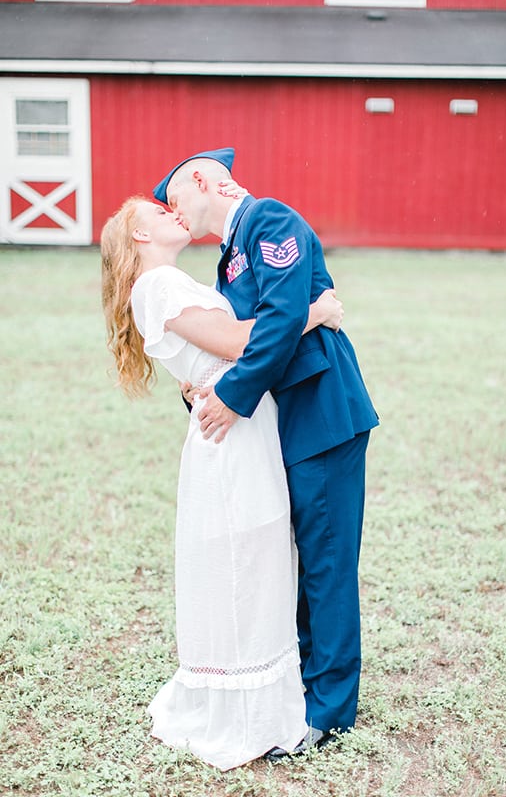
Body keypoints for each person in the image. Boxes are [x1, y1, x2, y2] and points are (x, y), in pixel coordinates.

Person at [100, 193, 345, 771]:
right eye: (159, 214)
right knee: (245, 560)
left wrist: (201, 378)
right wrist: (317, 310)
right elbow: (238, 344)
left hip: (241, 419)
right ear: (139, 237)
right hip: (229, 433)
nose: (173, 215)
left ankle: (263, 694)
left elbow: (218, 352)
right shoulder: (157, 286)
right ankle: (243, 707)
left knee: (258, 557)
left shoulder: (172, 282)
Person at [152, 147, 379, 759]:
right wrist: (205, 385)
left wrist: (231, 395)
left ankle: (329, 710)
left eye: (174, 196)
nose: (172, 211)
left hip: (321, 416)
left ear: (202, 179)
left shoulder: (269, 221)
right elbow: (239, 340)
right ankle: (304, 682)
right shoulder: (229, 260)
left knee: (326, 561)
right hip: (284, 423)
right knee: (297, 558)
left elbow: (279, 318)